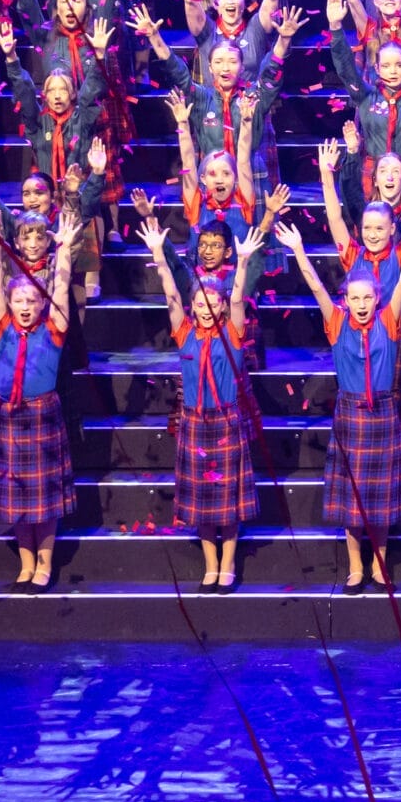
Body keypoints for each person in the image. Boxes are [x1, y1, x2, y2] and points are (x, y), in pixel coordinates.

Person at [279, 214, 401, 593]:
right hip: (350, 414)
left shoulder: (389, 320)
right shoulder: (337, 322)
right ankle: (355, 567)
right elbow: (315, 287)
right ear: (345, 300)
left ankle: (380, 565)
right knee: (353, 499)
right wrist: (298, 250)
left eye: (367, 298)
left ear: (376, 299)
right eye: (354, 298)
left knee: (377, 499)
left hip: (382, 413)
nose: (361, 304)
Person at [139, 212, 261, 590]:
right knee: (205, 502)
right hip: (195, 421)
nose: (207, 308)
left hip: (225, 421)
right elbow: (171, 294)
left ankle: (229, 562)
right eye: (201, 303)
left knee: (227, 500)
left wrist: (241, 262)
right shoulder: (185, 332)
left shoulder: (233, 333)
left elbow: (239, 296)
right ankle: (210, 562)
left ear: (222, 307)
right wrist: (160, 256)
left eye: (214, 303)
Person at [0, 207, 81, 591]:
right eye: (19, 301)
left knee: (45, 498)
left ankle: (45, 561)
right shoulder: (0, 327)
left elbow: (60, 286)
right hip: (8, 417)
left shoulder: (53, 328)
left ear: (40, 305)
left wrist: (65, 251)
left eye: (31, 301)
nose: (25, 306)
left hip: (42, 416)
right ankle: (25, 562)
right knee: (17, 497)